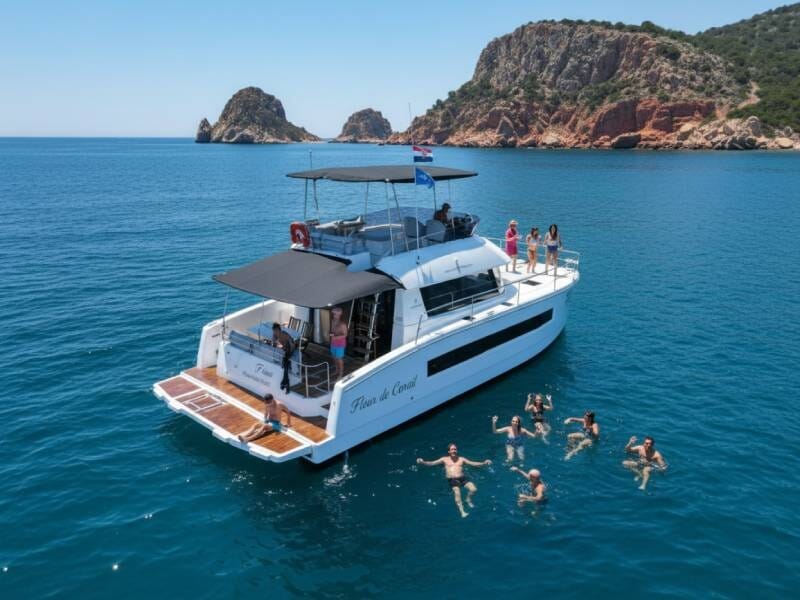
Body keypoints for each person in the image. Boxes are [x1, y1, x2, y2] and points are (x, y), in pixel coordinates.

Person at [416, 443, 492, 518]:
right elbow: (432, 463)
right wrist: (422, 462)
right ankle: (462, 512)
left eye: (455, 449)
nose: (454, 451)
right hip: (452, 479)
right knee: (457, 493)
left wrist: (484, 463)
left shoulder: (461, 459)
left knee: (474, 489)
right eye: (452, 449)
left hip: (462, 478)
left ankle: (468, 499)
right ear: (449, 451)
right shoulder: (444, 459)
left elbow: (473, 463)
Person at [272, 323, 295, 392]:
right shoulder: (275, 336)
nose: (275, 332)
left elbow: (292, 345)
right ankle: (285, 381)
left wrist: (290, 353)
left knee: (285, 361)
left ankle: (285, 382)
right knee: (286, 363)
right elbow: (274, 344)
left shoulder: (285, 334)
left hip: (290, 349)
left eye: (276, 331)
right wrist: (279, 346)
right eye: (274, 331)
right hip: (283, 350)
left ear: (279, 330)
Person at [329, 306, 348, 380]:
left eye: (335, 314)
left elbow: (345, 335)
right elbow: (332, 331)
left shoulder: (342, 324)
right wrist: (331, 334)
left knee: (339, 359)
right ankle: (337, 370)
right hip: (333, 343)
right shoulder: (333, 321)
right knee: (334, 357)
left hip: (340, 345)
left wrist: (336, 337)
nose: (334, 315)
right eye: (333, 314)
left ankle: (341, 373)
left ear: (339, 315)